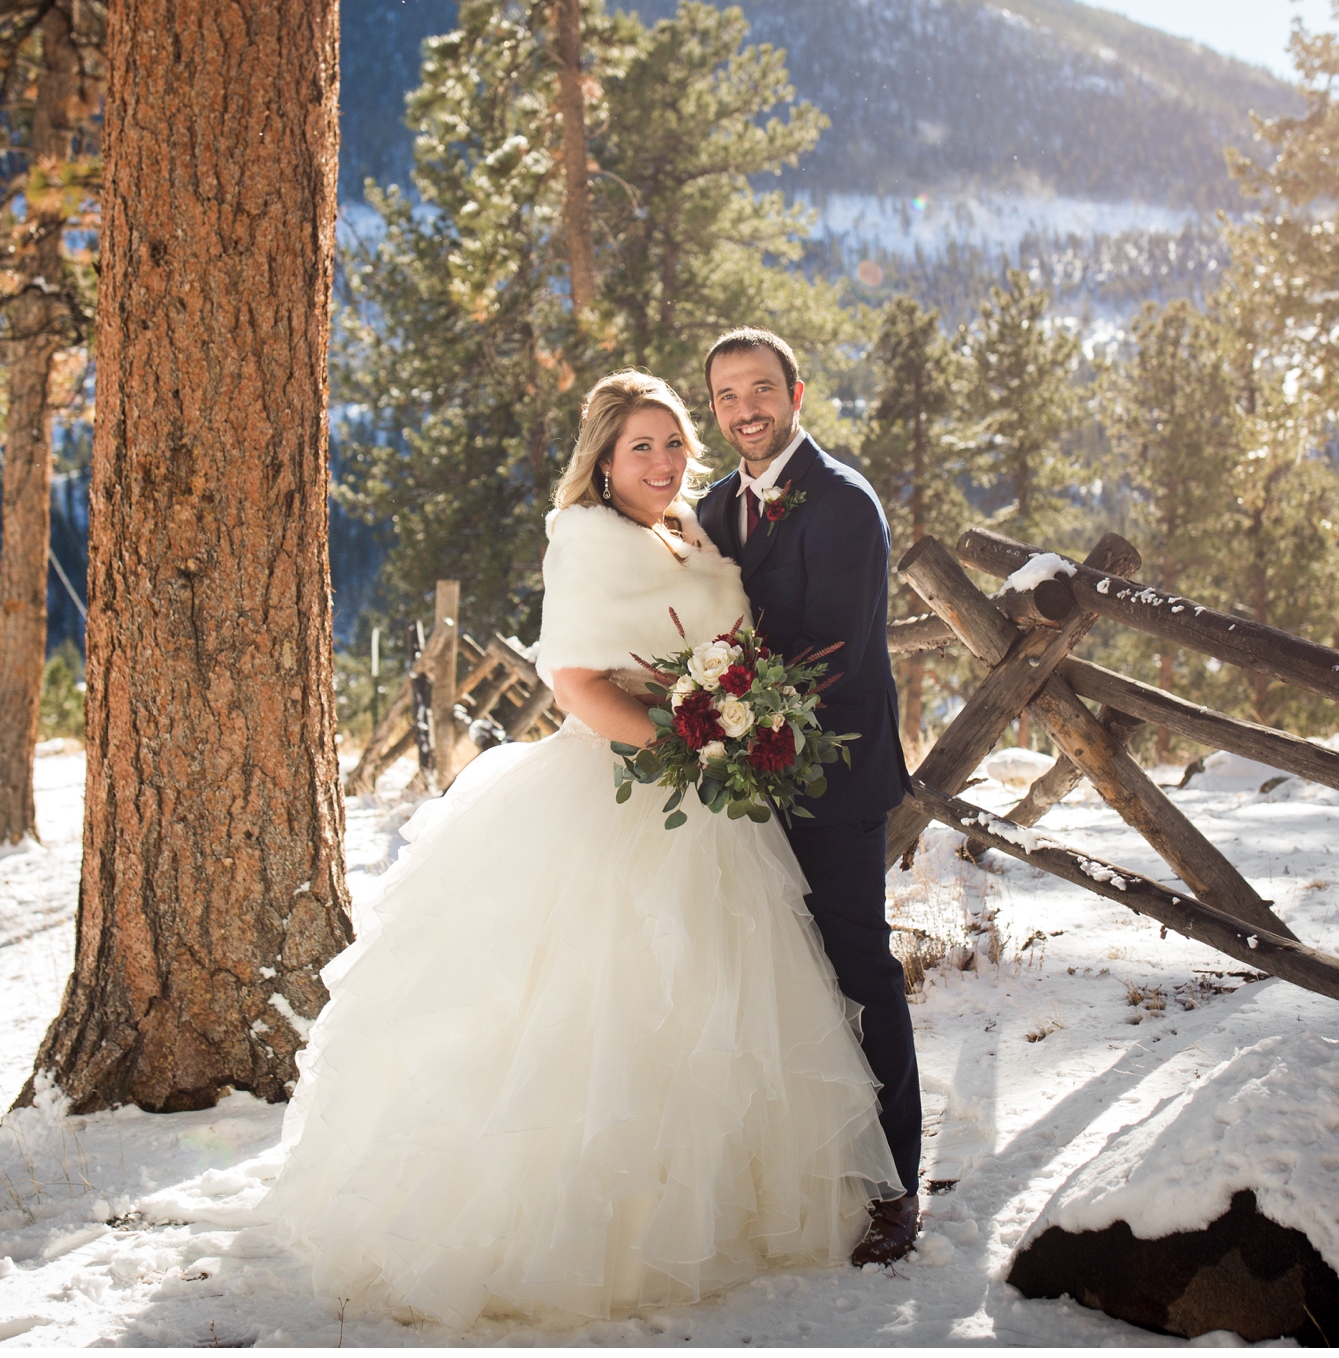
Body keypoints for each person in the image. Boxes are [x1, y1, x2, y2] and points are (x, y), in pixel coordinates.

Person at [259, 370, 902, 1329]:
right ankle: (583, 1224)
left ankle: (726, 1201)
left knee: (719, 1004)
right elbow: (575, 685)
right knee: (603, 1009)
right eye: (640, 446)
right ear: (602, 460)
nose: (663, 460)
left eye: (675, 441)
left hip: (714, 800)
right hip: (623, 788)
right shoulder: (591, 539)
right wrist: (687, 746)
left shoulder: (691, 527)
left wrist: (725, 733)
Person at [696, 327, 923, 1266]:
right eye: (725, 395)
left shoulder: (842, 504)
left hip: (832, 779)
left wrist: (739, 723)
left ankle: (895, 1187)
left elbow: (837, 656)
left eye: (760, 389)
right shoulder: (713, 505)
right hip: (745, 787)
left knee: (858, 970)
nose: (745, 409)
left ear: (797, 391)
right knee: (774, 979)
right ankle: (805, 1165)